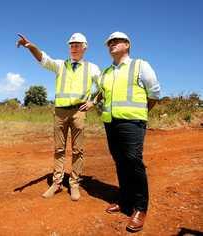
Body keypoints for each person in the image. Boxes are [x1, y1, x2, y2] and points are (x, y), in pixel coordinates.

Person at [16, 33, 100, 201]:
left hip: (78, 112)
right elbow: (43, 59)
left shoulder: (93, 68)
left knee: (78, 150)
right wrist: (31, 46)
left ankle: (74, 183)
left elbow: (103, 87)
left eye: (77, 45)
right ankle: (57, 183)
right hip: (60, 112)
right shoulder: (61, 65)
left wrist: (93, 102)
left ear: (85, 47)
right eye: (71, 45)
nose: (74, 48)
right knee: (59, 149)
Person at [97, 31, 160, 232]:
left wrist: (141, 113)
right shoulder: (106, 72)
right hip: (110, 122)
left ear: (127, 45)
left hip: (133, 122)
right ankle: (124, 200)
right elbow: (101, 95)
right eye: (109, 43)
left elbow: (155, 93)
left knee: (133, 161)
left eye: (116, 41)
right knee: (120, 161)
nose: (112, 44)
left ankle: (140, 208)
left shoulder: (140, 65)